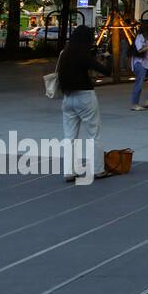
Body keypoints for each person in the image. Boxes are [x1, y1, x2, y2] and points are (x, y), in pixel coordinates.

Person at [54, 25, 112, 183]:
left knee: (69, 137)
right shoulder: (83, 54)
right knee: (94, 133)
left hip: (67, 98)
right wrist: (108, 57)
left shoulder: (64, 53)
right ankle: (98, 169)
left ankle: (69, 171)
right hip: (85, 96)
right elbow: (106, 71)